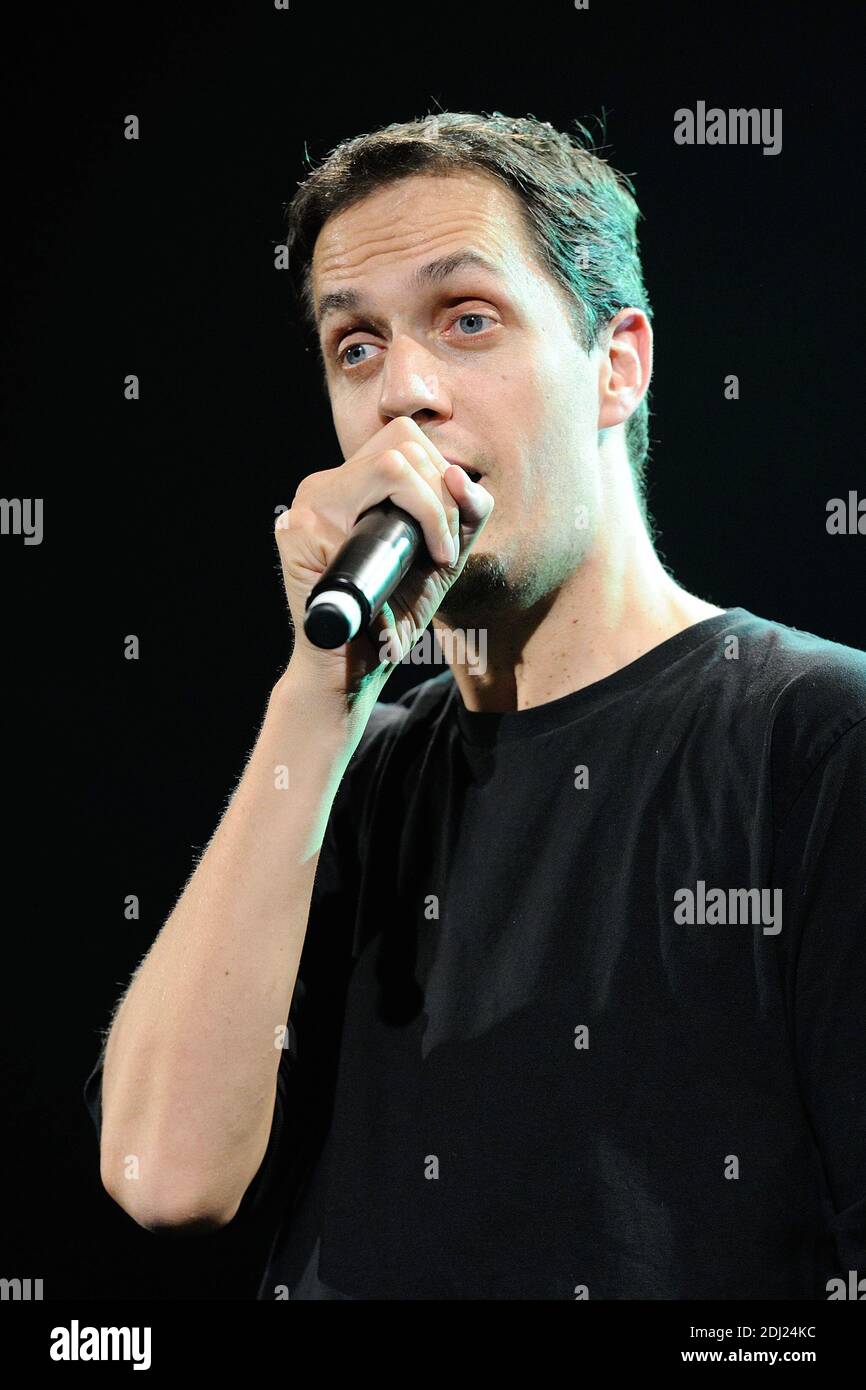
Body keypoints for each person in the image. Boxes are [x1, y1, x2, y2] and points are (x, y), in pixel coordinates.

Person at [84, 112, 866, 1300]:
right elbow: (162, 1176)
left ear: (619, 364)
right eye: (354, 345)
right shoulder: (340, 770)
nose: (403, 389)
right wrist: (318, 688)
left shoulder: (817, 736)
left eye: (465, 320)